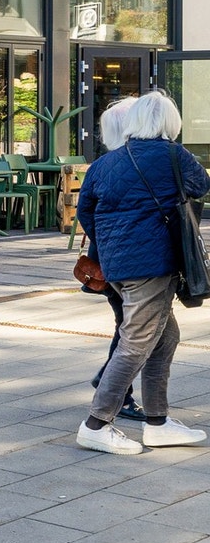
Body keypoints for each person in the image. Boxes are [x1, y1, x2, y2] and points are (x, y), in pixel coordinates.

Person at [76, 90, 210, 455]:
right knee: (135, 343)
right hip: (152, 266)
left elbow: (85, 212)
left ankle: (158, 422)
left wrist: (116, 243)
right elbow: (201, 186)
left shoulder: (105, 163)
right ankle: (96, 424)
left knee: (164, 339)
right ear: (171, 122)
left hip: (117, 266)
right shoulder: (172, 154)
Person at [86, 97, 145, 423]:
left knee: (127, 326)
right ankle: (117, 392)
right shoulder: (129, 167)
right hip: (126, 264)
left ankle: (111, 382)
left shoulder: (102, 166)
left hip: (108, 261)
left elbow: (86, 214)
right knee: (132, 331)